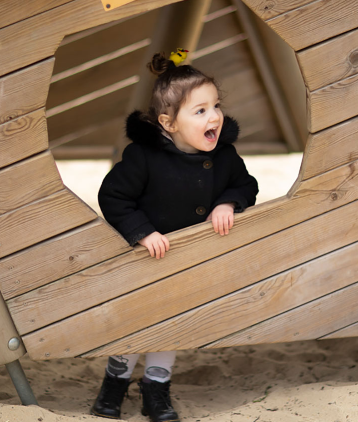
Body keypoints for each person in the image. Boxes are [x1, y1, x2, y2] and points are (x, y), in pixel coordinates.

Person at [92, 52, 259, 422]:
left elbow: (246, 184)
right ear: (168, 123)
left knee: (172, 324)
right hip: (148, 257)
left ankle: (156, 389)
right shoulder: (143, 157)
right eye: (200, 111)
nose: (214, 116)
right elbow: (114, 196)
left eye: (216, 106)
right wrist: (142, 231)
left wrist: (228, 202)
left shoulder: (225, 156)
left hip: (189, 260)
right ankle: (114, 383)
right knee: (136, 324)